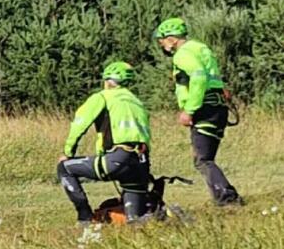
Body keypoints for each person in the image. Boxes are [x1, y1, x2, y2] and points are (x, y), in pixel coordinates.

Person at [154, 17, 243, 206]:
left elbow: (199, 77)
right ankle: (224, 197)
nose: (161, 45)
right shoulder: (201, 48)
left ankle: (228, 199)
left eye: (161, 40)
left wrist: (189, 110)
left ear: (171, 38)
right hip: (218, 107)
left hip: (204, 108)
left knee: (203, 160)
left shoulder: (182, 54)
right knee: (206, 158)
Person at [58, 62, 153, 224]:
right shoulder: (137, 102)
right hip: (141, 163)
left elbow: (79, 125)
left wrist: (68, 153)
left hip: (118, 158)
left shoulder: (102, 96)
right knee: (135, 222)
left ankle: (85, 218)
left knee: (65, 169)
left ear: (108, 81)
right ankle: (167, 219)